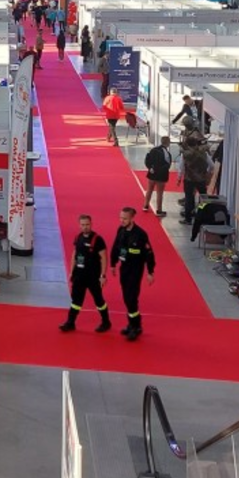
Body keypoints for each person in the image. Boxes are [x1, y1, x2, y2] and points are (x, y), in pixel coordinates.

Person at [59, 215, 111, 333]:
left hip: (93, 276)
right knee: (76, 300)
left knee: (98, 300)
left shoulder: (98, 239)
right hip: (79, 275)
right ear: (79, 225)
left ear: (91, 224)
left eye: (87, 224)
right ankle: (70, 323)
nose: (85, 227)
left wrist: (103, 275)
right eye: (83, 225)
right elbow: (75, 254)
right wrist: (71, 272)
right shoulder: (78, 237)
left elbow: (104, 257)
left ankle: (106, 322)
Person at [110, 207, 155, 341]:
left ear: (132, 218)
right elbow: (116, 247)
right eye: (121, 218)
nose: (122, 220)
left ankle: (136, 326)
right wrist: (113, 263)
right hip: (124, 268)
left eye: (125, 218)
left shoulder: (140, 234)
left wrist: (150, 271)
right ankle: (131, 324)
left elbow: (149, 254)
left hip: (135, 270)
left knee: (131, 298)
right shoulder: (121, 230)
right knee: (126, 297)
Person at [179, 132, 211, 226]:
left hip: (189, 179)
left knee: (189, 199)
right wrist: (206, 173)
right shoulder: (204, 153)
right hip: (201, 179)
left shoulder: (185, 154)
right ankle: (202, 214)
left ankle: (188, 218)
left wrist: (179, 177)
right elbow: (211, 165)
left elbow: (181, 167)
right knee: (203, 198)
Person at [143, 135, 172, 218]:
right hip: (161, 176)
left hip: (152, 174)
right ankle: (159, 210)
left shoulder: (153, 150)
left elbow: (147, 159)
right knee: (159, 193)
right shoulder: (167, 153)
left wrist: (150, 168)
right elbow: (168, 164)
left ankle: (145, 205)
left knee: (149, 190)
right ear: (168, 143)